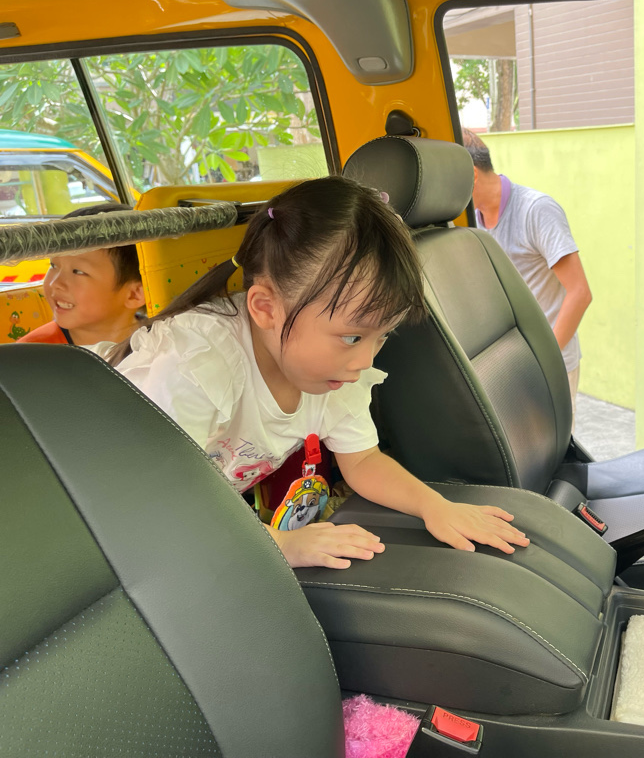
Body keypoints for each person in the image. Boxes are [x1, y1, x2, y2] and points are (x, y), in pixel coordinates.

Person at [114, 176, 530, 570]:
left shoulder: (333, 369)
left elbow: (362, 459)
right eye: (352, 337)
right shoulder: (194, 367)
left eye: (382, 336)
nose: (365, 360)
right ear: (265, 309)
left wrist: (434, 506)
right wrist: (282, 545)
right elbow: (156, 502)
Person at [462, 129, 591, 416]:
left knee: (554, 445)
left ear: (471, 174)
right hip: (507, 366)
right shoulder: (471, 221)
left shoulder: (536, 210)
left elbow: (580, 293)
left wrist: (544, 361)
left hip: (548, 366)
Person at [18, 202, 145, 354]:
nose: (55, 283)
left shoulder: (161, 341)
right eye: (53, 265)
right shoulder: (29, 356)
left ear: (134, 294)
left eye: (78, 272)